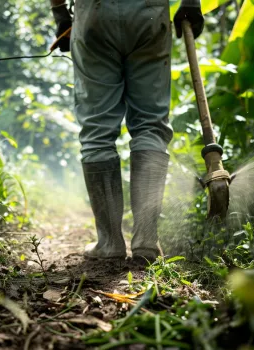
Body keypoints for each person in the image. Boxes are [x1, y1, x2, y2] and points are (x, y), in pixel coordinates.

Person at [50, 0, 204, 261]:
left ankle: (109, 242)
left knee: (97, 133)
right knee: (151, 125)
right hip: (149, 14)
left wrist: (61, 14)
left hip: (95, 14)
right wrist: (191, 2)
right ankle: (146, 240)